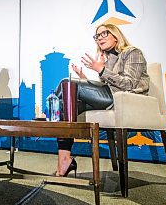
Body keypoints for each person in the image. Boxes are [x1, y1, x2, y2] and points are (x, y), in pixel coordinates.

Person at [54, 23, 149, 177]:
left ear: (115, 35)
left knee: (67, 84)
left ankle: (48, 114)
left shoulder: (133, 52)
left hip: (125, 99)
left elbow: (129, 83)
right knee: (67, 101)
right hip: (108, 97)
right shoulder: (108, 59)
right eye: (97, 36)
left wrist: (100, 69)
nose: (99, 38)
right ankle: (64, 159)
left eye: (103, 34)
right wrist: (83, 79)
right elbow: (105, 85)